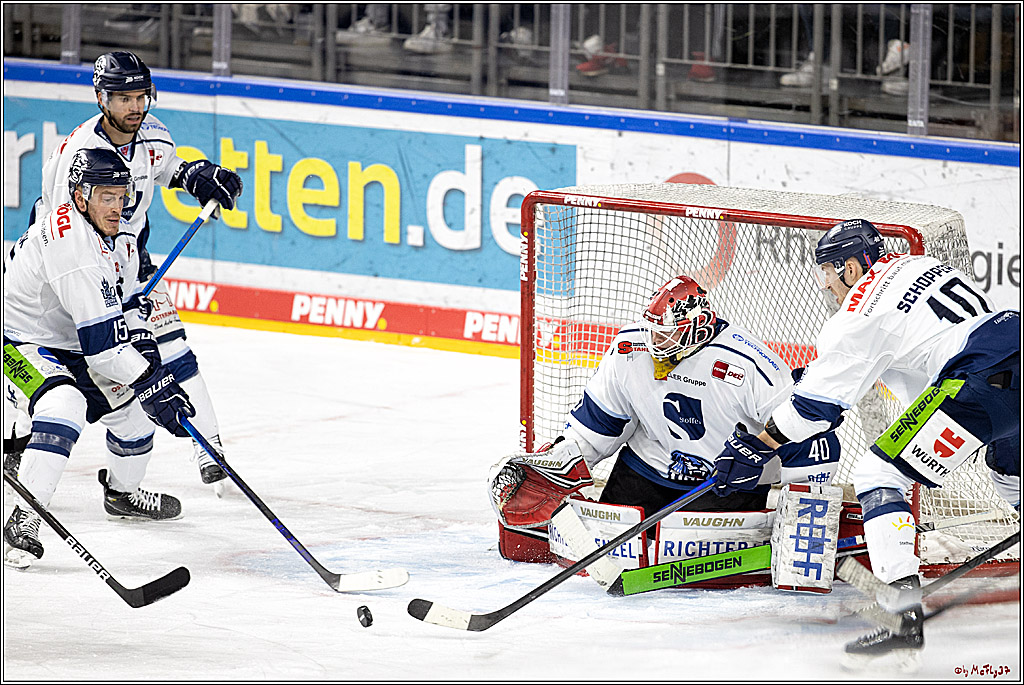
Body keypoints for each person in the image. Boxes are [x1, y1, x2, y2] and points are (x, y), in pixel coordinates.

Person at [711, 218, 1020, 662]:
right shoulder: (921, 265)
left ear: (851, 268)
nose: (826, 284)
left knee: (878, 472)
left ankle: (900, 616)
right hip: (1010, 345)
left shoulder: (860, 310)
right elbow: (914, 361)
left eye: (829, 272)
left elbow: (812, 413)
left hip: (982, 379)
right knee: (1007, 468)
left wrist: (758, 444)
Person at [4, 51, 242, 498]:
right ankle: (17, 429)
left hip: (128, 261)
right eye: (123, 98)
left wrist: (196, 175)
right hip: (81, 273)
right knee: (79, 365)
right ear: (101, 98)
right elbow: (68, 231)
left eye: (140, 96)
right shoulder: (76, 155)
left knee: (171, 349)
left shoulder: (153, 133)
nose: (134, 107)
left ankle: (207, 449)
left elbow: (163, 168)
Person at [491, 275, 841, 561]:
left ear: (698, 328)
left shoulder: (748, 364)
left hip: (722, 482)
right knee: (605, 553)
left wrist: (803, 516)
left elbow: (810, 435)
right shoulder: (630, 350)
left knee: (684, 565)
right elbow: (600, 421)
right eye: (653, 330)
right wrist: (562, 459)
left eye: (667, 333)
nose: (656, 341)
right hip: (644, 471)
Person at [3, 148, 197, 568]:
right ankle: (23, 516)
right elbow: (105, 349)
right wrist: (155, 383)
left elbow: (124, 307)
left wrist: (146, 356)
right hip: (17, 341)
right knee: (65, 404)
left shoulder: (115, 236)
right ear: (79, 196)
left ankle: (121, 494)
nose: (117, 205)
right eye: (105, 196)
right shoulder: (71, 244)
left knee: (135, 420)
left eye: (121, 194)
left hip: (70, 341)